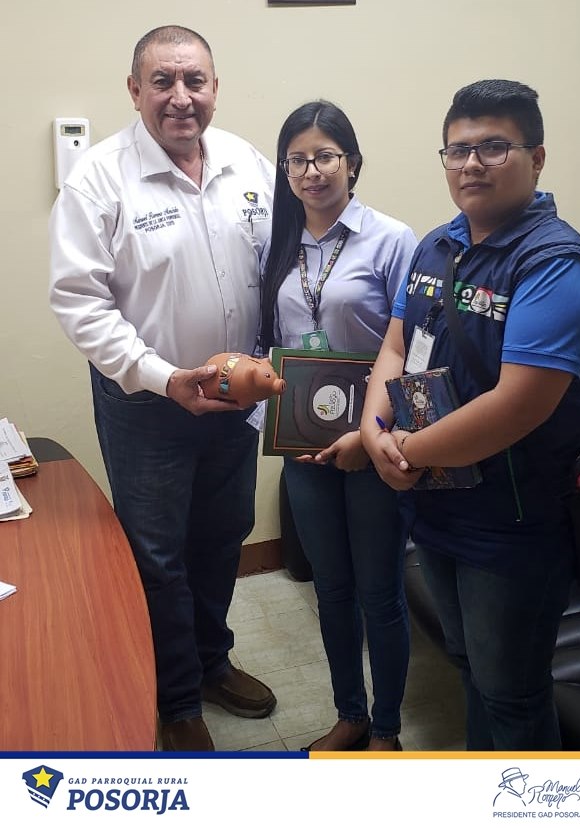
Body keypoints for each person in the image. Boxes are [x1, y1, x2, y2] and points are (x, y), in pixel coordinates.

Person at [360, 79, 580, 750]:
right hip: (434, 505)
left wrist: (405, 452)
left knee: (513, 695)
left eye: (494, 147)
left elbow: (515, 407)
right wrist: (372, 429)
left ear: (537, 159)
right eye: (458, 149)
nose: (472, 163)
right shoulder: (437, 246)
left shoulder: (557, 265)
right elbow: (396, 347)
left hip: (513, 526)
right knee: (472, 669)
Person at [49, 25, 277, 752]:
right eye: (163, 81)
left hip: (233, 401)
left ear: (214, 87)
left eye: (195, 80)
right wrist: (165, 377)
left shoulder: (247, 163)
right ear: (134, 90)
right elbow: (79, 302)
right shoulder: (100, 178)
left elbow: (279, 268)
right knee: (157, 555)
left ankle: (211, 662)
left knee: (223, 537)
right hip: (147, 403)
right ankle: (175, 696)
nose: (181, 97)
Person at [260, 101, 418, 751]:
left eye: (325, 156)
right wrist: (277, 424)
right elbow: (271, 342)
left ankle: (387, 730)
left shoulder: (393, 239)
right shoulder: (277, 242)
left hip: (373, 443)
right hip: (304, 450)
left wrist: (370, 434)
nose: (312, 171)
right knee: (331, 589)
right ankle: (350, 714)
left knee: (380, 591)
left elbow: (413, 349)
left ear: (351, 162)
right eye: (297, 160)